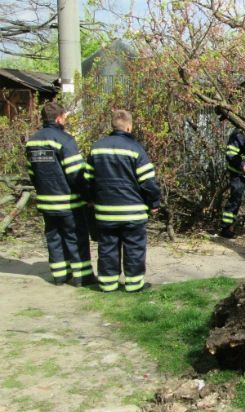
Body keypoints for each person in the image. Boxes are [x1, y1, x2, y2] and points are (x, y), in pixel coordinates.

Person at [84, 110, 161, 293]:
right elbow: (148, 183)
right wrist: (154, 203)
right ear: (129, 126)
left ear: (113, 126)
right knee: (134, 248)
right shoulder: (136, 150)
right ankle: (134, 285)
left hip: (105, 212)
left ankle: (108, 284)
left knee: (107, 248)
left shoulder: (97, 148)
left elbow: (87, 181)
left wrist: (91, 200)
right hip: (132, 212)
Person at [25, 102, 95, 286]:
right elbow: (76, 174)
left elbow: (32, 174)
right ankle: (82, 277)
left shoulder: (32, 141)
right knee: (76, 238)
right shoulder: (64, 140)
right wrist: (88, 196)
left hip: (46, 202)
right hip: (68, 202)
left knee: (54, 238)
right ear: (59, 118)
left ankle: (59, 276)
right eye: (64, 117)